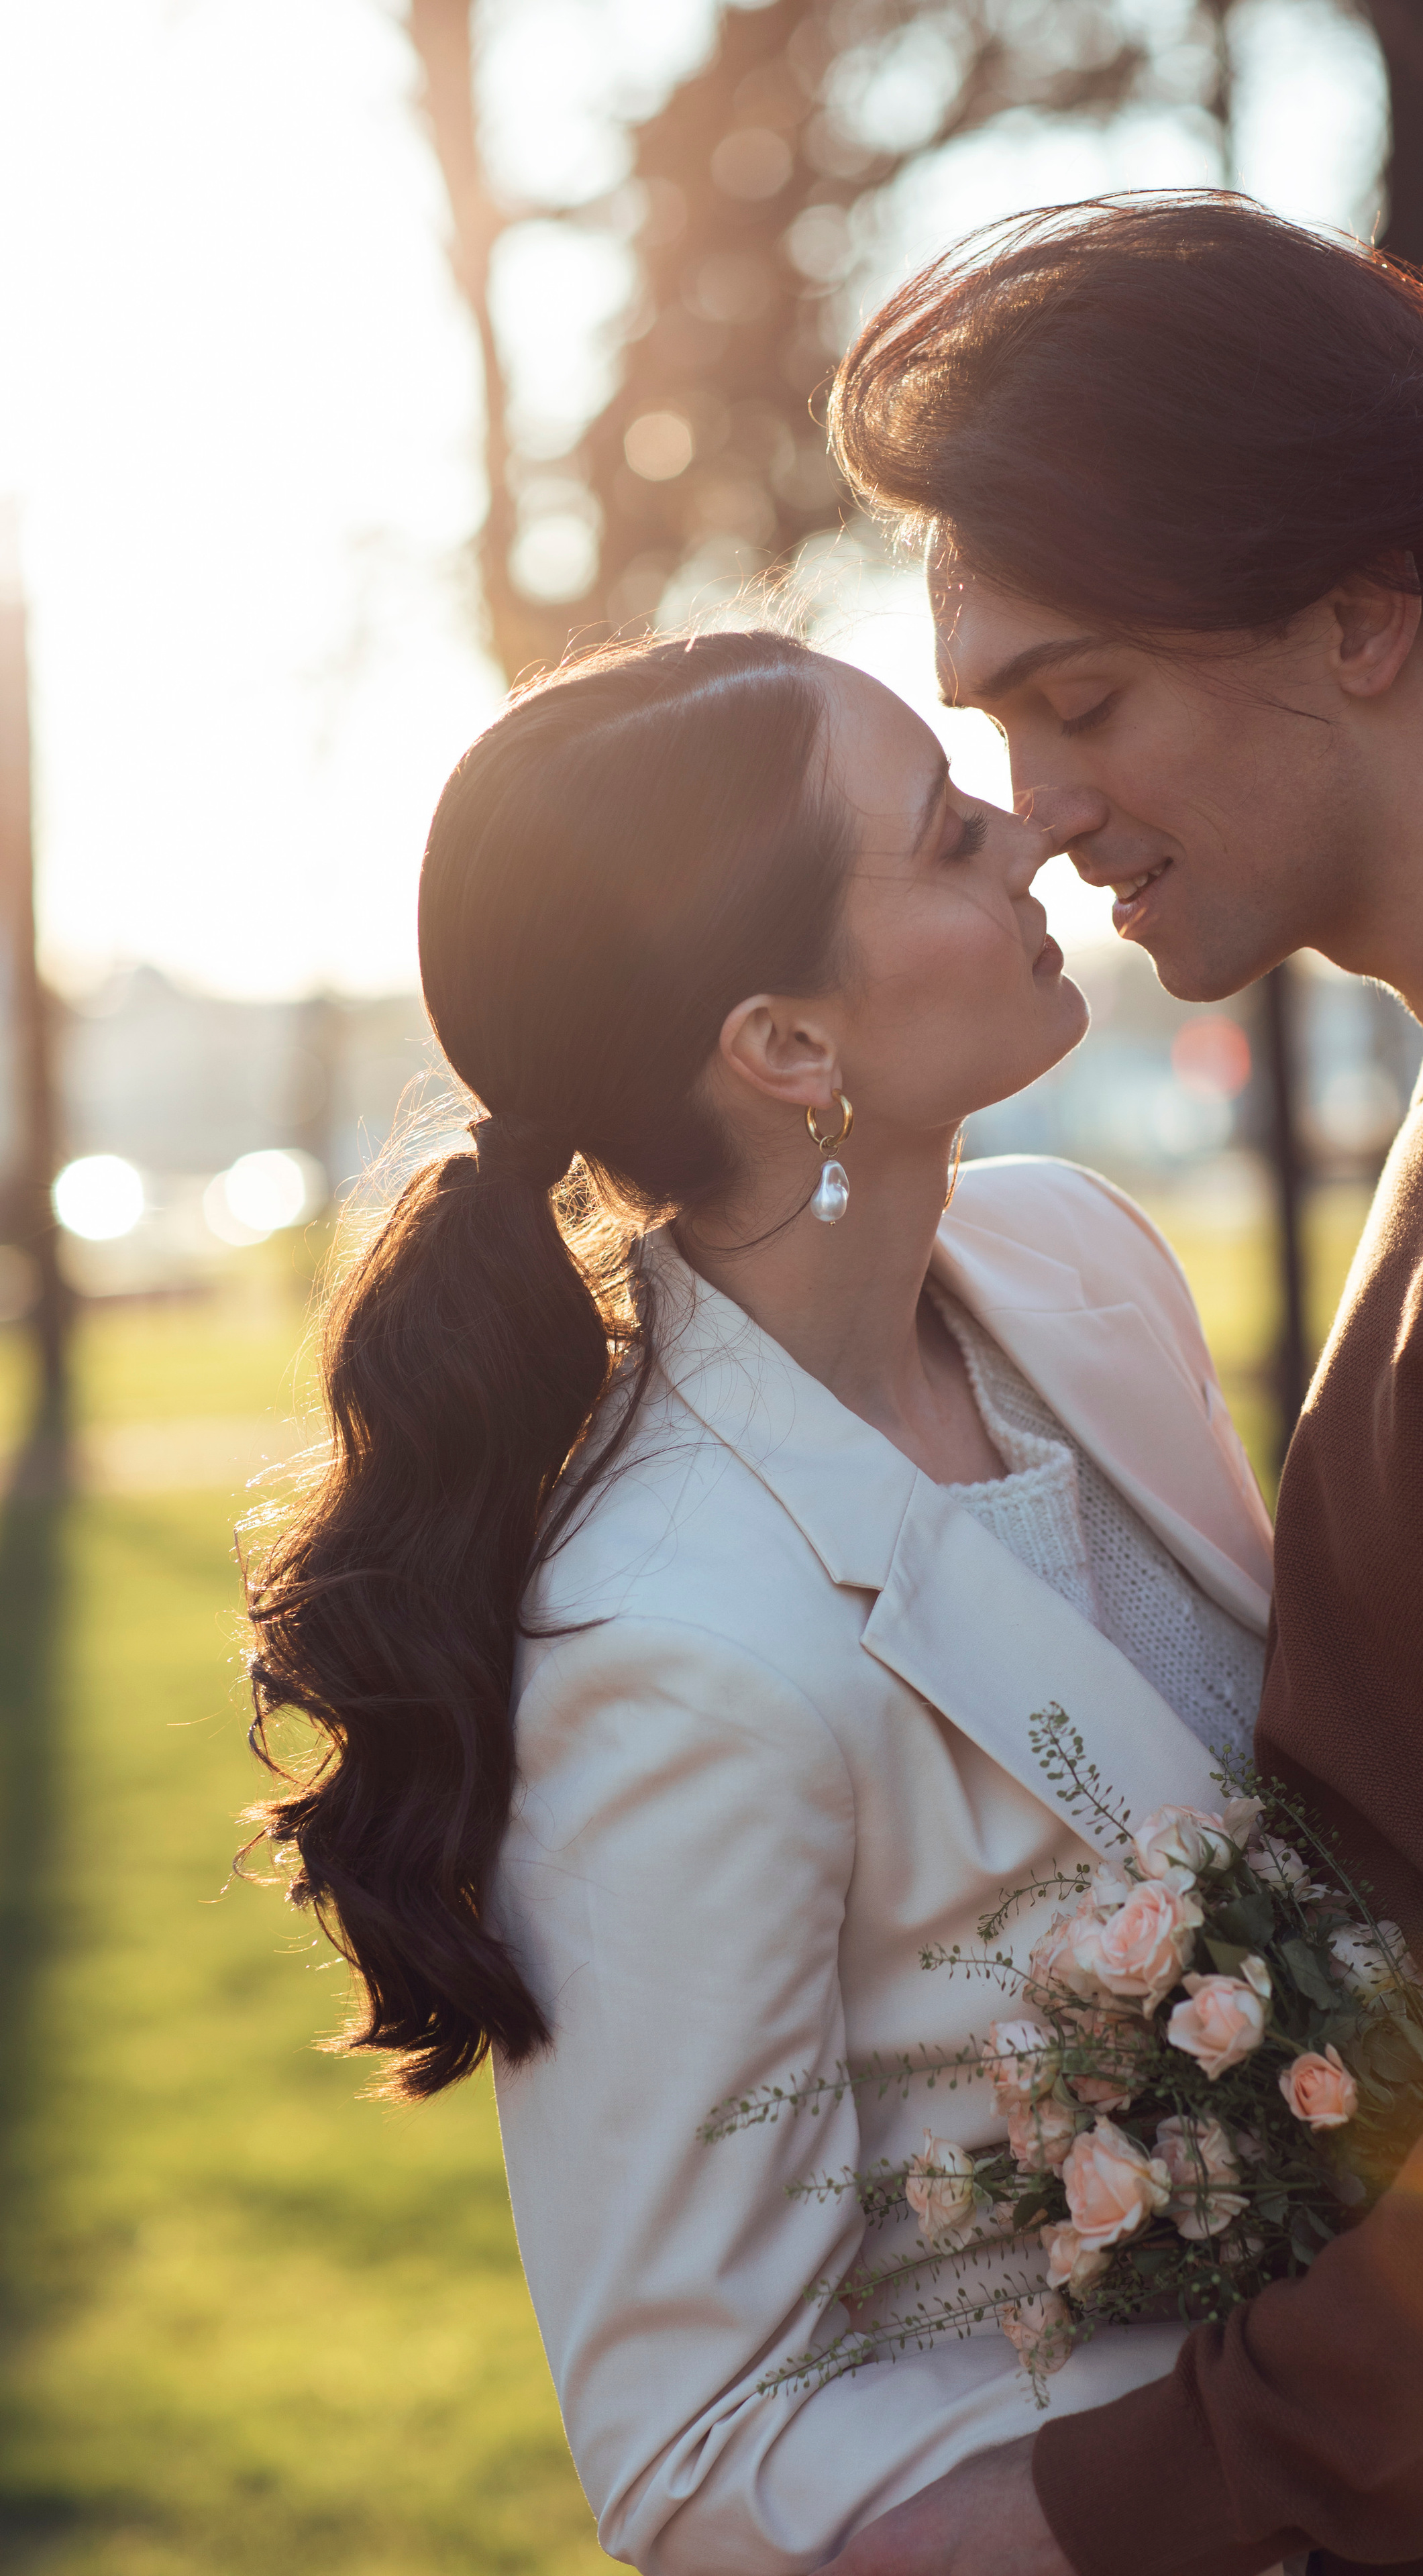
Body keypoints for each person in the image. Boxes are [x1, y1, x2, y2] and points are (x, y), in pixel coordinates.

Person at [818, 194, 1423, 2576]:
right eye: (994, 724)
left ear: (1358, 612)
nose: (1030, 808)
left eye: (1078, 697)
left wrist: (1128, 2506)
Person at [247, 625, 1291, 2572]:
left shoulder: (1085, 1264)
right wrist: (1315, 2433)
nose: (1032, 833)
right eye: (944, 830)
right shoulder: (668, 1653)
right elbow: (702, 2465)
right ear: (787, 1043)